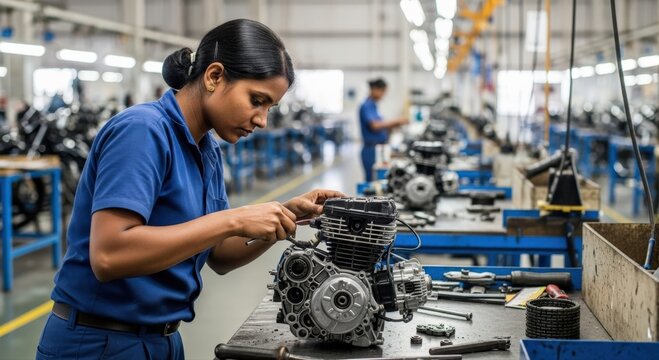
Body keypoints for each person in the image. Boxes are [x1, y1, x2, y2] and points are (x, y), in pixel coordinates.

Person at [36, 19, 344, 360]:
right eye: (256, 100)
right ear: (214, 76)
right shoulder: (143, 131)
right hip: (99, 342)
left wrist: (283, 215)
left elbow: (220, 255)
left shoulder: (205, 149)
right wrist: (234, 219)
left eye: (269, 108)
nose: (262, 120)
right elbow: (110, 255)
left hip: (162, 339)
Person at [358, 78, 408, 182]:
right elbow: (375, 126)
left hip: (379, 148)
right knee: (372, 182)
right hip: (370, 150)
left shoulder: (374, 106)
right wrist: (396, 121)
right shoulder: (366, 105)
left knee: (378, 181)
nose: (384, 95)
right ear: (375, 89)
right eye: (383, 91)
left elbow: (382, 126)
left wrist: (392, 127)